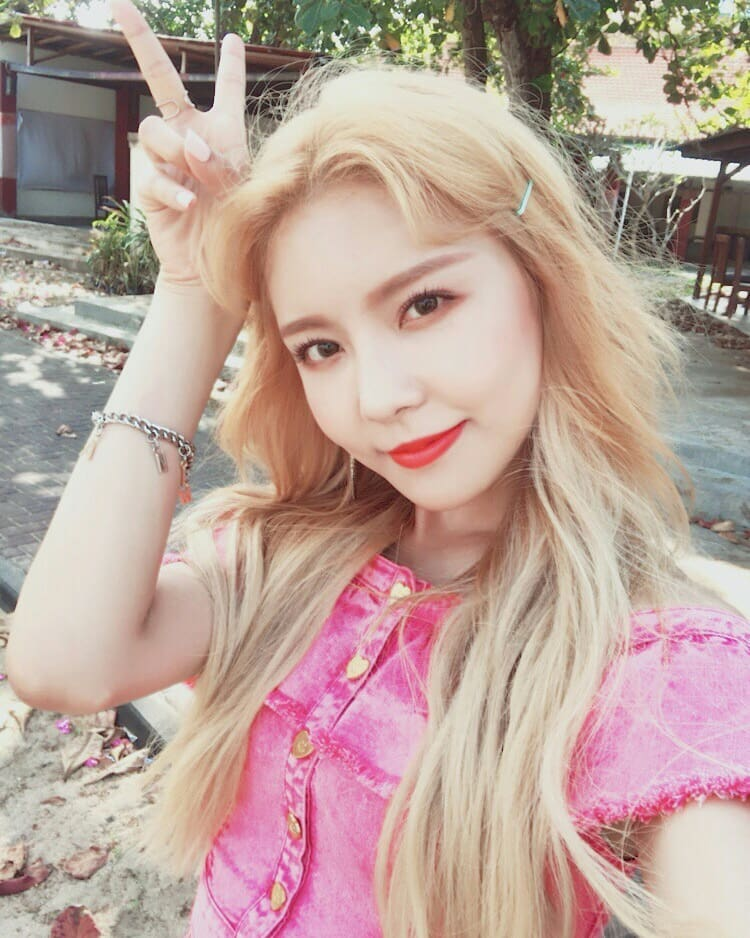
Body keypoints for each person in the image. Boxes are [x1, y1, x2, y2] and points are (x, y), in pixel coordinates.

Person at [7, 1, 750, 936]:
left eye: (424, 303)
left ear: (543, 279)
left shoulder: (652, 663)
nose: (379, 397)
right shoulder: (286, 561)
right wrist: (196, 294)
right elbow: (62, 664)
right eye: (320, 347)